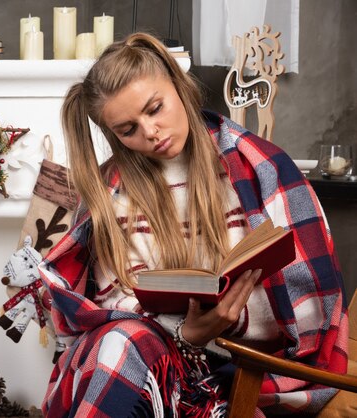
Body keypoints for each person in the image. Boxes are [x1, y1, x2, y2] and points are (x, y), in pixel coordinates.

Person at [37, 32, 348, 417]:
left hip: (248, 369)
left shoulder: (262, 168)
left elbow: (307, 312)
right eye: (128, 130)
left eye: (155, 108)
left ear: (177, 83)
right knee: (122, 341)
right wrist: (188, 333)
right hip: (153, 360)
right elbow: (108, 303)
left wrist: (230, 322)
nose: (150, 132)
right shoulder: (110, 192)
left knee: (125, 344)